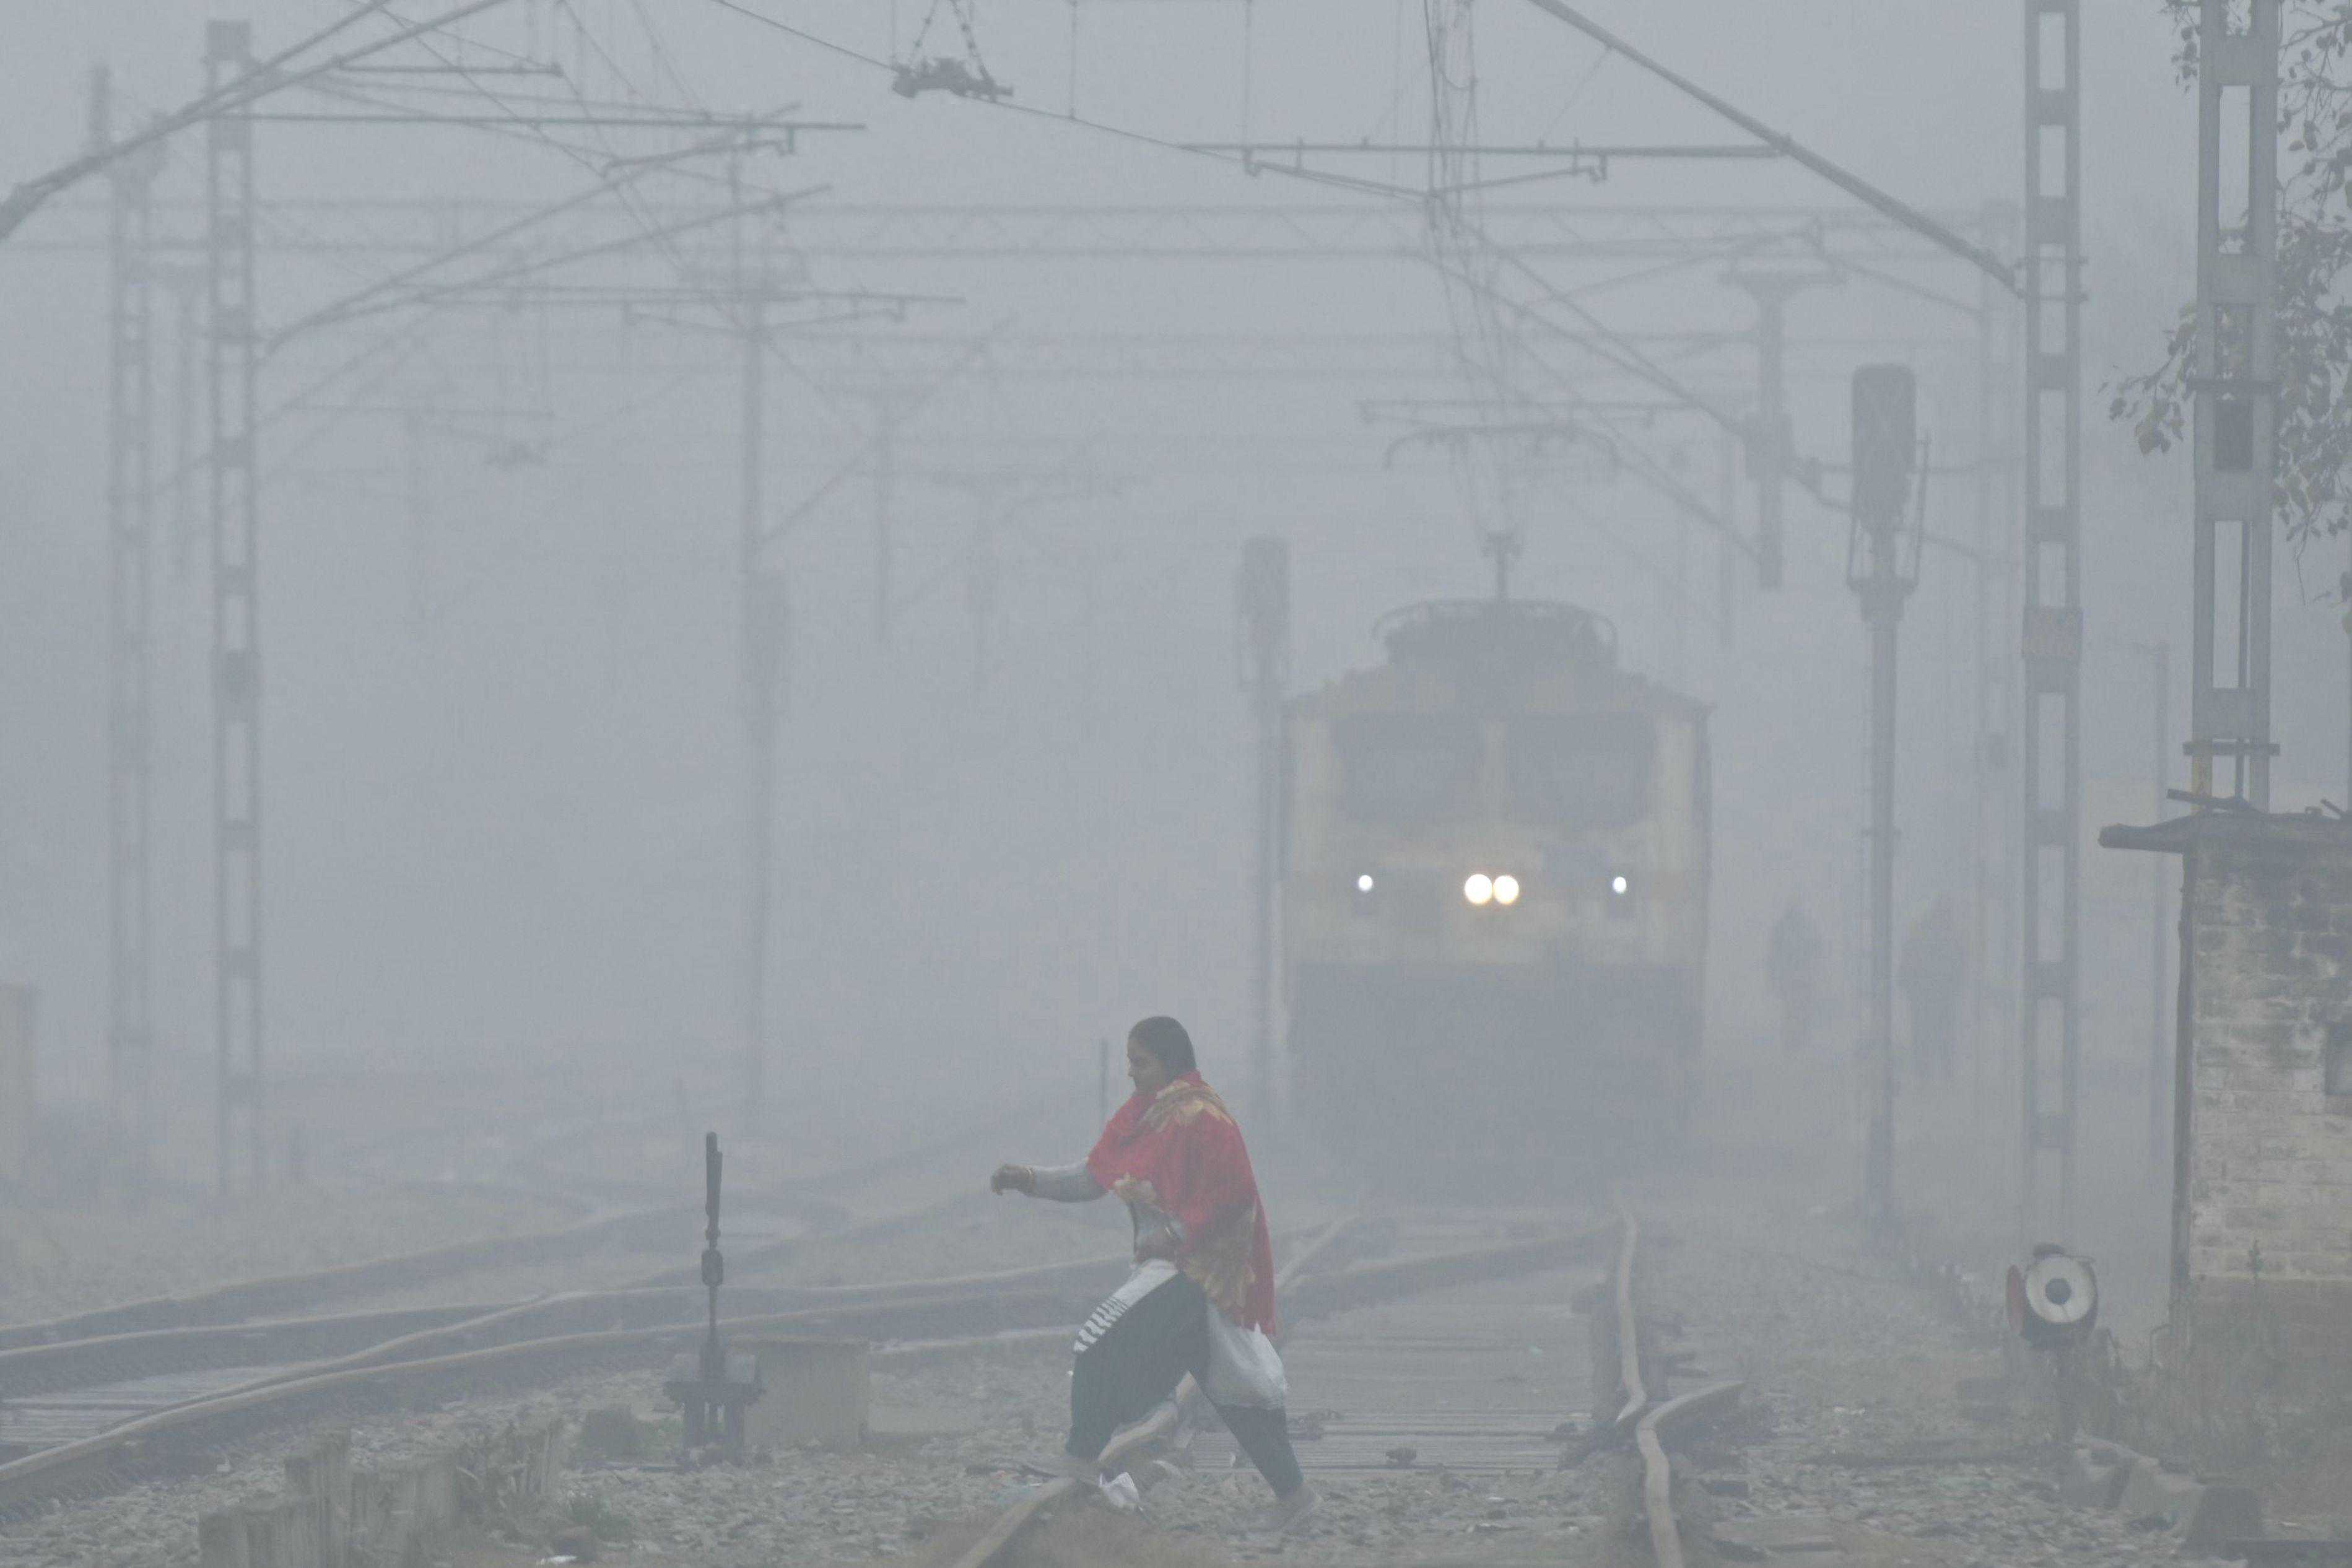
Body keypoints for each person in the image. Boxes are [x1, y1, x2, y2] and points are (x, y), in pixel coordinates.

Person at [991, 1016, 1317, 1534]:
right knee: (1233, 1387)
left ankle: (1081, 1455)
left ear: (1168, 1063)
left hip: (1194, 1270)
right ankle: (1296, 1497)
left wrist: (1183, 1232)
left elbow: (1234, 1191)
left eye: (1139, 1062)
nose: (1131, 1073)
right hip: (1189, 1270)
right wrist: (1030, 1181)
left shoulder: (1199, 1115)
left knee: (1100, 1337)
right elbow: (1093, 1176)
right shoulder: (1146, 1117)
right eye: (1129, 1062)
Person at [1899, 897, 1966, 1080]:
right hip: (1933, 995)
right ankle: (1938, 1076)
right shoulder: (1948, 936)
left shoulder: (1920, 934)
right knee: (1938, 1037)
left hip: (1929, 995)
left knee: (1929, 1037)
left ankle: (1930, 1076)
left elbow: (1906, 967)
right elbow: (1960, 965)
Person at [1765, 904, 1826, 1055]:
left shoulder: (1782, 931)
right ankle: (1797, 1039)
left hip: (1791, 976)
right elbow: (1817, 950)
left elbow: (1774, 955)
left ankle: (1793, 1040)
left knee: (1792, 1009)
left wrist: (1773, 977)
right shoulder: (1805, 931)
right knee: (1798, 1008)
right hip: (1801, 976)